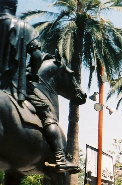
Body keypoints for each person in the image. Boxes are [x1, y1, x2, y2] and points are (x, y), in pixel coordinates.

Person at [0, 0, 79, 173]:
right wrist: (33, 74)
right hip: (12, 85)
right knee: (46, 113)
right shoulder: (22, 27)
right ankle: (60, 158)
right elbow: (36, 57)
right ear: (13, 6)